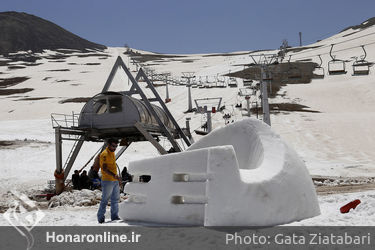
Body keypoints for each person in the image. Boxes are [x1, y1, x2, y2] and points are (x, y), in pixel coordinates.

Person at [97, 138, 121, 223]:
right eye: (113, 146)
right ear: (109, 145)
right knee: (105, 199)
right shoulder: (105, 154)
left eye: (116, 146)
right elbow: (104, 169)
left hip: (114, 180)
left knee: (115, 199)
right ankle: (100, 218)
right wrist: (114, 175)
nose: (115, 148)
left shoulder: (112, 153)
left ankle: (114, 216)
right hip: (107, 180)